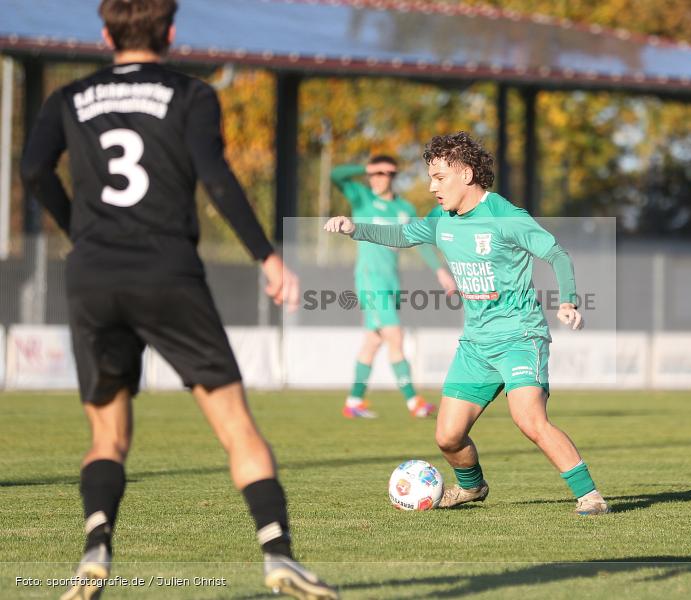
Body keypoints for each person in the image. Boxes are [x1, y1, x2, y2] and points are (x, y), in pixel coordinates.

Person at [19, 1, 339, 598]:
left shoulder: (68, 98)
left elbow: (34, 169)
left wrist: (79, 232)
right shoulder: (190, 95)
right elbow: (216, 178)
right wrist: (266, 256)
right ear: (169, 32)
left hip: (92, 275)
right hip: (167, 270)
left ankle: (96, 546)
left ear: (104, 33)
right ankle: (278, 555)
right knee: (235, 425)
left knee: (107, 436)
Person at [324, 132, 610, 516]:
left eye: (439, 177)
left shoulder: (505, 217)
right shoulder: (441, 219)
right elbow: (403, 235)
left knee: (529, 419)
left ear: (467, 174)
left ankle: (590, 496)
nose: (431, 187)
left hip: (519, 335)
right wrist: (353, 227)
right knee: (447, 437)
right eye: (431, 177)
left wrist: (569, 300)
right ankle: (472, 488)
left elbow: (556, 253)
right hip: (476, 344)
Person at [331, 156, 456, 419]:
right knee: (395, 338)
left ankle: (354, 402)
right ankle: (414, 402)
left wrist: (440, 270)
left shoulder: (404, 208)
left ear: (392, 176)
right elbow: (335, 175)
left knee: (373, 342)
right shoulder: (362, 198)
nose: (377, 178)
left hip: (391, 283)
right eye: (374, 174)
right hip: (370, 280)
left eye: (384, 174)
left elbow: (420, 241)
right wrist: (364, 167)